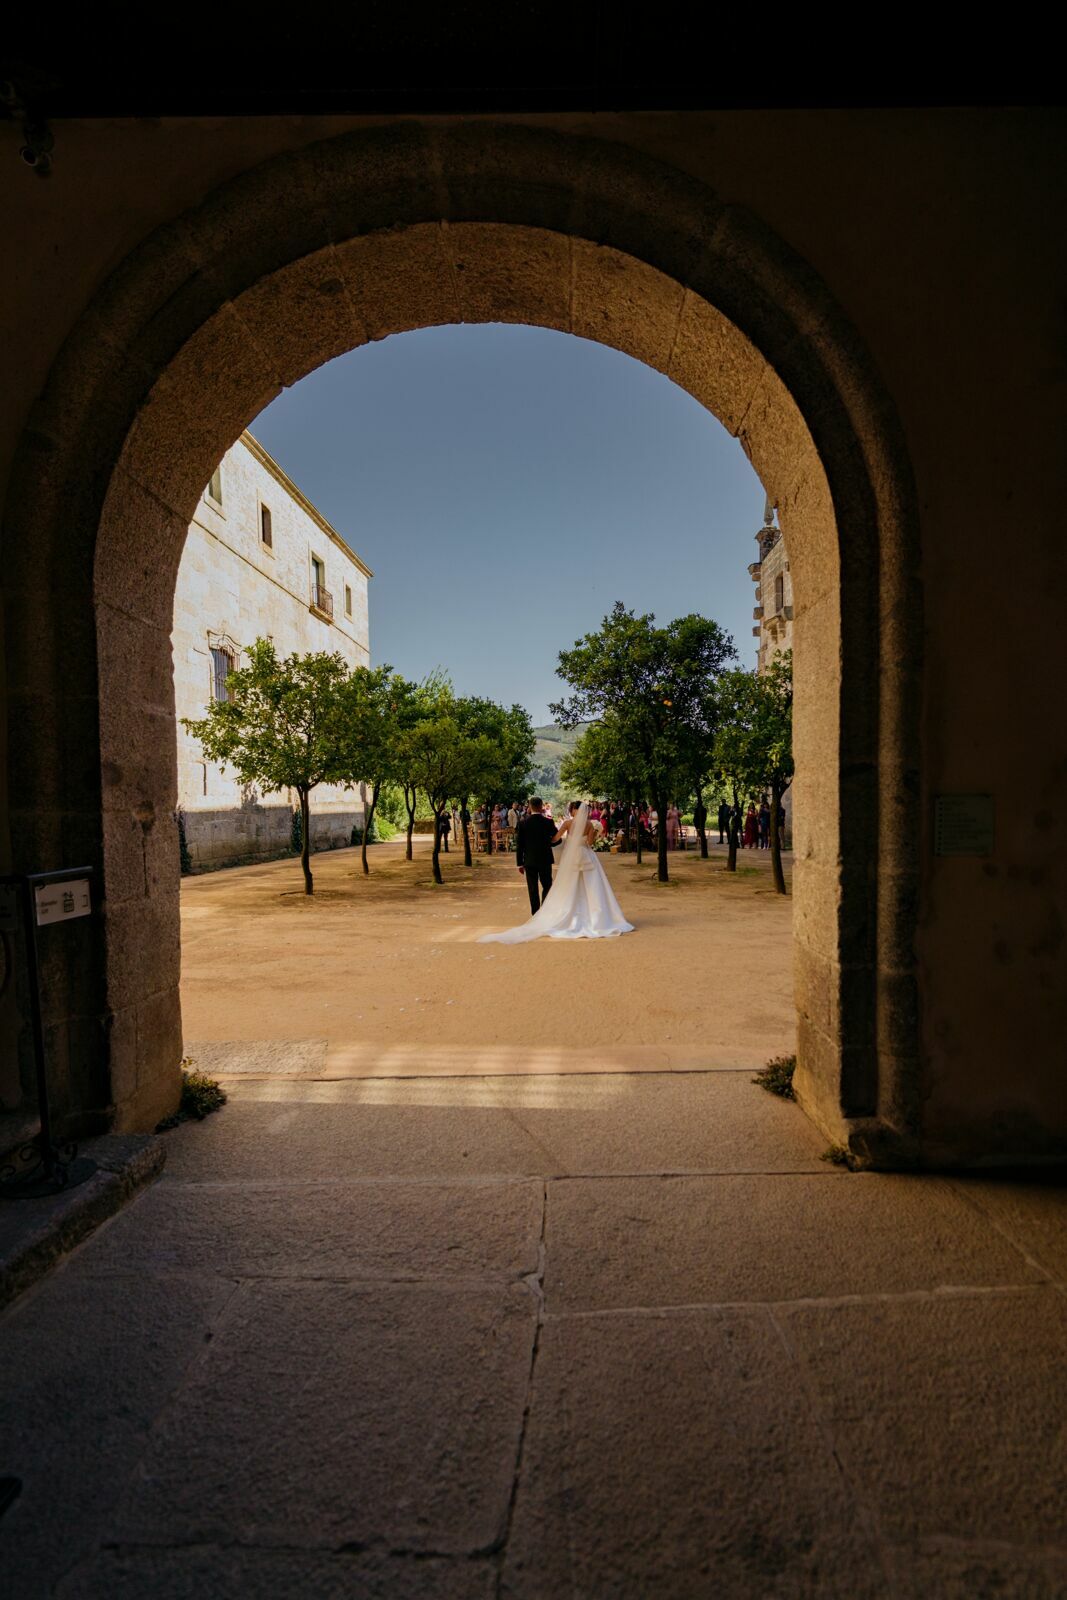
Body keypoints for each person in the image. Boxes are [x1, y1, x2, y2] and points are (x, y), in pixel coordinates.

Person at [480, 800, 633, 942]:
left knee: (561, 885)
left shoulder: (558, 823)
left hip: (558, 859)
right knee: (590, 885)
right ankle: (598, 917)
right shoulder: (588, 825)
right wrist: (594, 830)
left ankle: (542, 914)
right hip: (584, 856)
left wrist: (529, 853)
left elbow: (553, 839)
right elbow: (588, 843)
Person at [511, 796, 557, 916]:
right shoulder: (548, 822)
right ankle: (544, 911)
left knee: (532, 888)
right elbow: (557, 840)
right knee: (547, 885)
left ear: (530, 807)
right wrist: (548, 842)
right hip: (545, 859)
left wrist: (519, 863)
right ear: (542, 806)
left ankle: (535, 914)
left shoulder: (523, 823)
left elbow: (519, 845)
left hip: (529, 860)